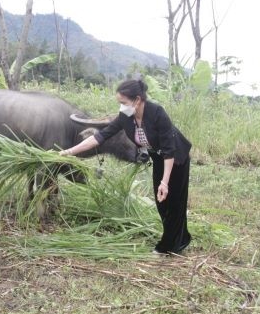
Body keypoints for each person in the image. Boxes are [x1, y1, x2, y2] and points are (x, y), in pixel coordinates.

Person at [59, 79, 192, 254]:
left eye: (123, 103)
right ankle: (181, 238)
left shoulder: (157, 113)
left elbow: (169, 150)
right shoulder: (125, 117)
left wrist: (165, 182)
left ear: (137, 100)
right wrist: (69, 151)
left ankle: (167, 247)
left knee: (174, 202)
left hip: (176, 157)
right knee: (162, 204)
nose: (121, 107)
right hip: (158, 157)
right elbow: (100, 137)